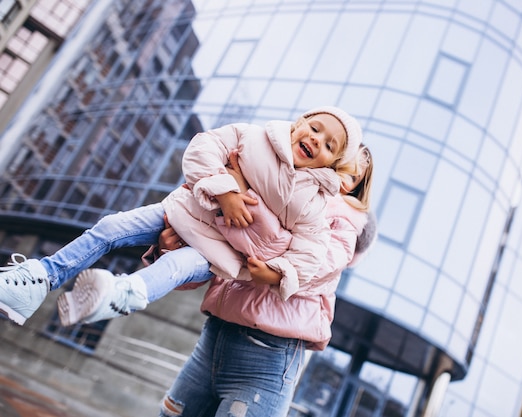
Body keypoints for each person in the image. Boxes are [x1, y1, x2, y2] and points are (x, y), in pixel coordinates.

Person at [0, 106, 362, 326]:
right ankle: (39, 280)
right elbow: (203, 147)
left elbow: (311, 249)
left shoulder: (314, 200)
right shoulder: (253, 137)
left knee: (172, 269)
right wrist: (226, 191)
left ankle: (119, 295)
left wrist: (280, 272)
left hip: (214, 253)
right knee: (111, 226)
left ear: (332, 162)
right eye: (316, 129)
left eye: (330, 146)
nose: (317, 140)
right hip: (181, 212)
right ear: (300, 122)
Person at [153, 144, 376, 417]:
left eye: (352, 177)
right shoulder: (272, 188)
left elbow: (306, 269)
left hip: (267, 358)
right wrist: (170, 253)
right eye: (339, 166)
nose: (340, 178)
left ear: (357, 190)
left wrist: (244, 197)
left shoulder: (344, 222)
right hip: (213, 338)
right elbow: (216, 260)